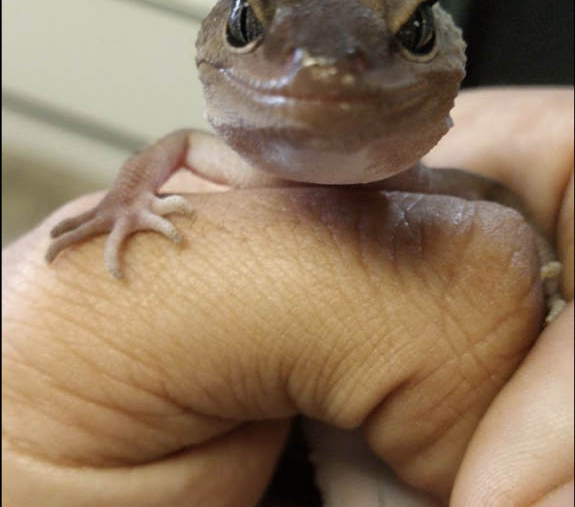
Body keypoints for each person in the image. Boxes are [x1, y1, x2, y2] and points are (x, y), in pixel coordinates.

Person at [2, 88, 573, 507]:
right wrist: (124, 201)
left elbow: (492, 196)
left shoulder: (438, 187)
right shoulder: (242, 164)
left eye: (413, 34)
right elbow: (175, 145)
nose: (318, 74)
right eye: (249, 24)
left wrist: (547, 277)